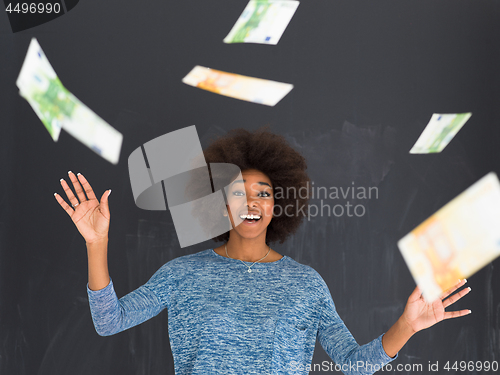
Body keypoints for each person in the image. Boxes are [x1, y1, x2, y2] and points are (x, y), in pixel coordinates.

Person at [54, 128, 471, 375]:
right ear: (221, 204)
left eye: (263, 193)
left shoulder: (307, 284)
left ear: (278, 204)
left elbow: (352, 363)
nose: (251, 202)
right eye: (238, 192)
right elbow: (109, 322)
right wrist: (97, 244)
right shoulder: (181, 275)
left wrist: (407, 326)